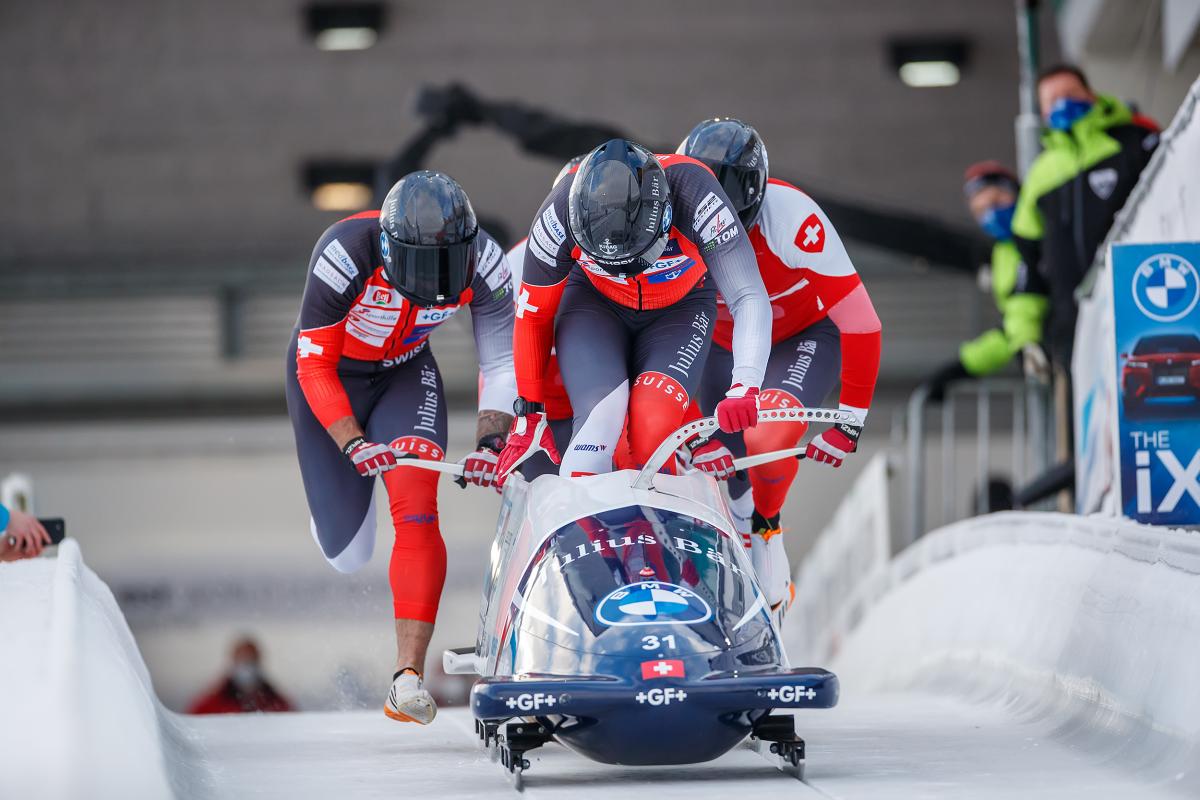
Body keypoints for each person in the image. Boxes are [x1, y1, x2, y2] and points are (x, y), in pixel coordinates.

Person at [284, 171, 517, 725]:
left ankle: (405, 678)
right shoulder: (342, 253)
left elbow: (502, 361)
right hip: (329, 377)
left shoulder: (488, 263)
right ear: (389, 252)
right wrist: (350, 440)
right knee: (349, 554)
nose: (434, 285)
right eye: (421, 271)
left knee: (417, 508)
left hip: (405, 375)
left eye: (446, 271)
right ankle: (337, 502)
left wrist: (491, 443)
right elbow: (314, 365)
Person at [678, 119, 882, 614]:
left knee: (767, 442)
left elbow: (861, 322)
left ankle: (767, 526)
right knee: (715, 467)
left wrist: (850, 422)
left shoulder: (792, 218)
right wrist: (690, 431)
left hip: (799, 340)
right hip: (718, 345)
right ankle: (734, 530)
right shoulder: (668, 214)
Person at [495, 138, 773, 481]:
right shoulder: (555, 217)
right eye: (614, 264)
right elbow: (533, 317)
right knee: (598, 424)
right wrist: (529, 414)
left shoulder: (696, 194)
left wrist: (745, 383)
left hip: (680, 311)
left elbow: (748, 295)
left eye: (638, 257)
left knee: (654, 426)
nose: (628, 272)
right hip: (595, 306)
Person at [1011, 64, 1159, 368]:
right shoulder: (1039, 175)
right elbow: (1027, 264)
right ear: (1043, 112)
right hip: (1073, 334)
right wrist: (1026, 337)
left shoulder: (1135, 141)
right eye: (1052, 100)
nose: (1062, 104)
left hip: (1141, 307)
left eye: (1070, 93)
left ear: (1091, 95)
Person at [922, 161, 1049, 401]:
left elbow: (1027, 301)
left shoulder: (1039, 231)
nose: (991, 215)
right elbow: (1011, 329)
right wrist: (962, 367)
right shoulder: (1002, 254)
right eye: (981, 211)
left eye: (996, 202)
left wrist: (1028, 341)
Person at [187, 637, 294, 715]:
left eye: (251, 661)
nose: (247, 667)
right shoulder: (211, 703)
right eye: (243, 660)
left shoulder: (276, 702)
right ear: (234, 662)